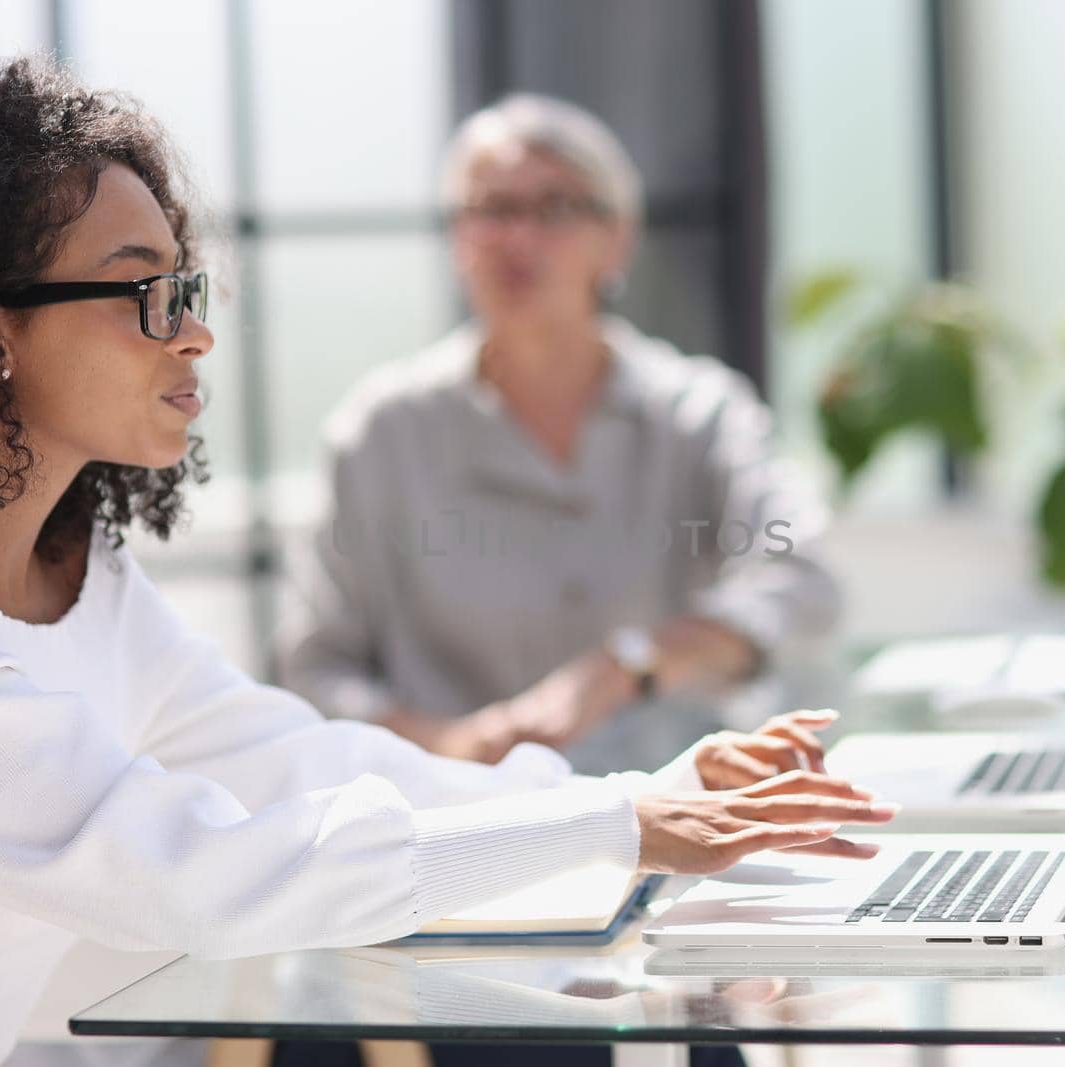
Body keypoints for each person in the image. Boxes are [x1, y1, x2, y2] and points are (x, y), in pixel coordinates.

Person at [0, 61, 897, 1067]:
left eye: (188, 287)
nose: (193, 331)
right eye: (141, 289)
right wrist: (616, 826)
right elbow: (184, 868)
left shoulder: (79, 574)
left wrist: (636, 801)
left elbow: (294, 758)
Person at [276, 94, 840, 776]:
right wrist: (453, 743)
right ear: (458, 240)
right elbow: (314, 671)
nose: (518, 238)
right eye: (491, 210)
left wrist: (629, 665)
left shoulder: (700, 412)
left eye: (556, 208)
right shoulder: (379, 433)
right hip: (464, 823)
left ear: (618, 239)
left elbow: (803, 577)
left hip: (681, 806)